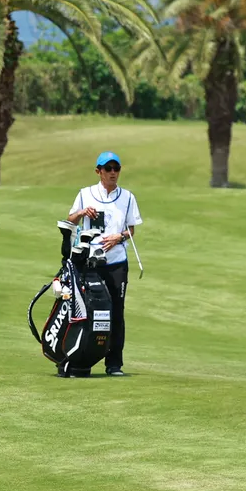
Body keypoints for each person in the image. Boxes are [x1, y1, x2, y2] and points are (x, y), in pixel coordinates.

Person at [65, 150, 142, 377]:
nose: (112, 173)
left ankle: (114, 364)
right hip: (90, 261)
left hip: (117, 262)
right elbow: (71, 219)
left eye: (116, 168)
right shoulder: (85, 194)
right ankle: (82, 358)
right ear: (98, 171)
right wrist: (82, 212)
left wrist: (119, 237)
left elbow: (131, 230)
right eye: (108, 169)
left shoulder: (128, 197)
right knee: (87, 309)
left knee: (117, 311)